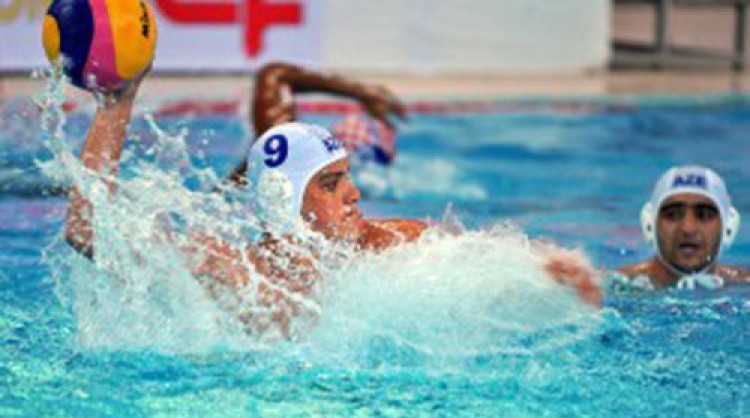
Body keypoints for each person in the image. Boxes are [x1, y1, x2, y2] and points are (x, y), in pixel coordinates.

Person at [64, 70, 601, 338]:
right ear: (283, 201)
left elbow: (474, 260)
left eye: (347, 178)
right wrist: (118, 104)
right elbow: (88, 234)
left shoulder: (386, 242)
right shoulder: (229, 269)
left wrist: (540, 270)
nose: (355, 195)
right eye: (330, 184)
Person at [228, 61, 406, 186]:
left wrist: (361, 92)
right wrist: (362, 92)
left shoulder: (281, 146)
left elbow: (273, 73)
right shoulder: (339, 195)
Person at [616, 165, 750, 290]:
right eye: (672, 215)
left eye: (704, 215)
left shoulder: (744, 285)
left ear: (728, 227)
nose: (688, 228)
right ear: (650, 224)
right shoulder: (617, 286)